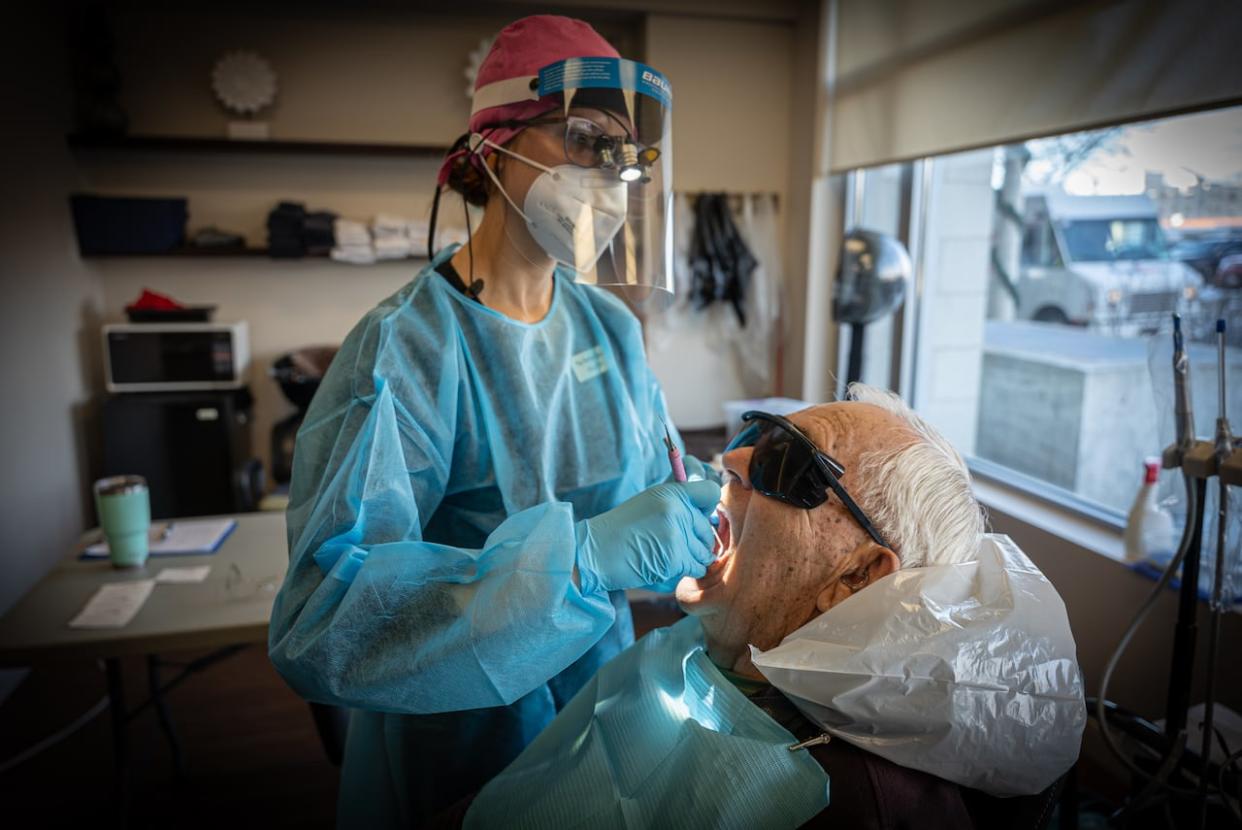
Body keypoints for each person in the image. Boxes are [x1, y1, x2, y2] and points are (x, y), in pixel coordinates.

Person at [267, 15, 718, 827]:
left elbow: (664, 491)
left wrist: (712, 503)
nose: (609, 175)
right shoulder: (404, 351)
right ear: (490, 149)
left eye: (624, 154)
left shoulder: (609, 328)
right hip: (459, 739)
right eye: (584, 139)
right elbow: (324, 619)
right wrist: (578, 560)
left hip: (602, 716)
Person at [460, 384, 1087, 829]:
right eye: (757, 433)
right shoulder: (701, 652)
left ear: (857, 578)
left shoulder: (846, 802)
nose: (732, 459)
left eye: (789, 463)